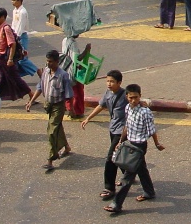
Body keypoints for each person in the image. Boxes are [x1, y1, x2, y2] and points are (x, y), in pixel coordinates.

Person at [104, 83, 164, 213]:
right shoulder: (127, 108)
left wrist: (157, 144)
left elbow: (151, 130)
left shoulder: (145, 112)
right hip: (130, 143)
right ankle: (149, 191)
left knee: (127, 177)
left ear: (140, 96)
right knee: (141, 169)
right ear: (127, 97)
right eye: (130, 97)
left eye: (136, 97)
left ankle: (117, 204)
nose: (133, 100)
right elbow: (126, 126)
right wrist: (121, 141)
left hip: (139, 146)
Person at [82, 70, 128, 200]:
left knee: (111, 158)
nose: (109, 84)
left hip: (122, 131)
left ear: (119, 83)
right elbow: (100, 106)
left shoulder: (125, 96)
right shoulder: (108, 93)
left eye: (112, 81)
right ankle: (128, 175)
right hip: (113, 129)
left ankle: (109, 188)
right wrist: (88, 118)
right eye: (107, 81)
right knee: (121, 156)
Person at [26, 49, 73, 170]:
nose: (48, 64)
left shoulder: (63, 75)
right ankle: (66, 147)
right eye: (47, 61)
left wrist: (71, 109)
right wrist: (31, 102)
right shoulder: (45, 72)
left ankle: (51, 159)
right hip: (48, 104)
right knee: (57, 127)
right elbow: (40, 87)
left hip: (58, 106)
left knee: (52, 131)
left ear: (57, 62)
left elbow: (69, 95)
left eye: (51, 61)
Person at [0, 7, 35, 103]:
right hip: (1, 58)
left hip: (6, 59)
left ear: (2, 17)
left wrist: (10, 59)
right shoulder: (0, 27)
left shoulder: (6, 28)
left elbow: (12, 44)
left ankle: (31, 94)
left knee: (15, 78)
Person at [61, 34, 91, 118]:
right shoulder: (73, 43)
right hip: (73, 70)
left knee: (69, 90)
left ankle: (68, 107)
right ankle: (77, 111)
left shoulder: (65, 40)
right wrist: (86, 50)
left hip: (66, 68)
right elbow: (76, 59)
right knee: (78, 92)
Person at [11, 0, 38, 78]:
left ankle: (37, 70)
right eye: (11, 0)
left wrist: (16, 37)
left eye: (14, 0)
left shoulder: (22, 12)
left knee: (22, 59)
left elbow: (20, 26)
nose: (12, 2)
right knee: (18, 59)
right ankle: (17, 76)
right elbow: (14, 24)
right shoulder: (15, 11)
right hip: (16, 36)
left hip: (21, 37)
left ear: (20, 1)